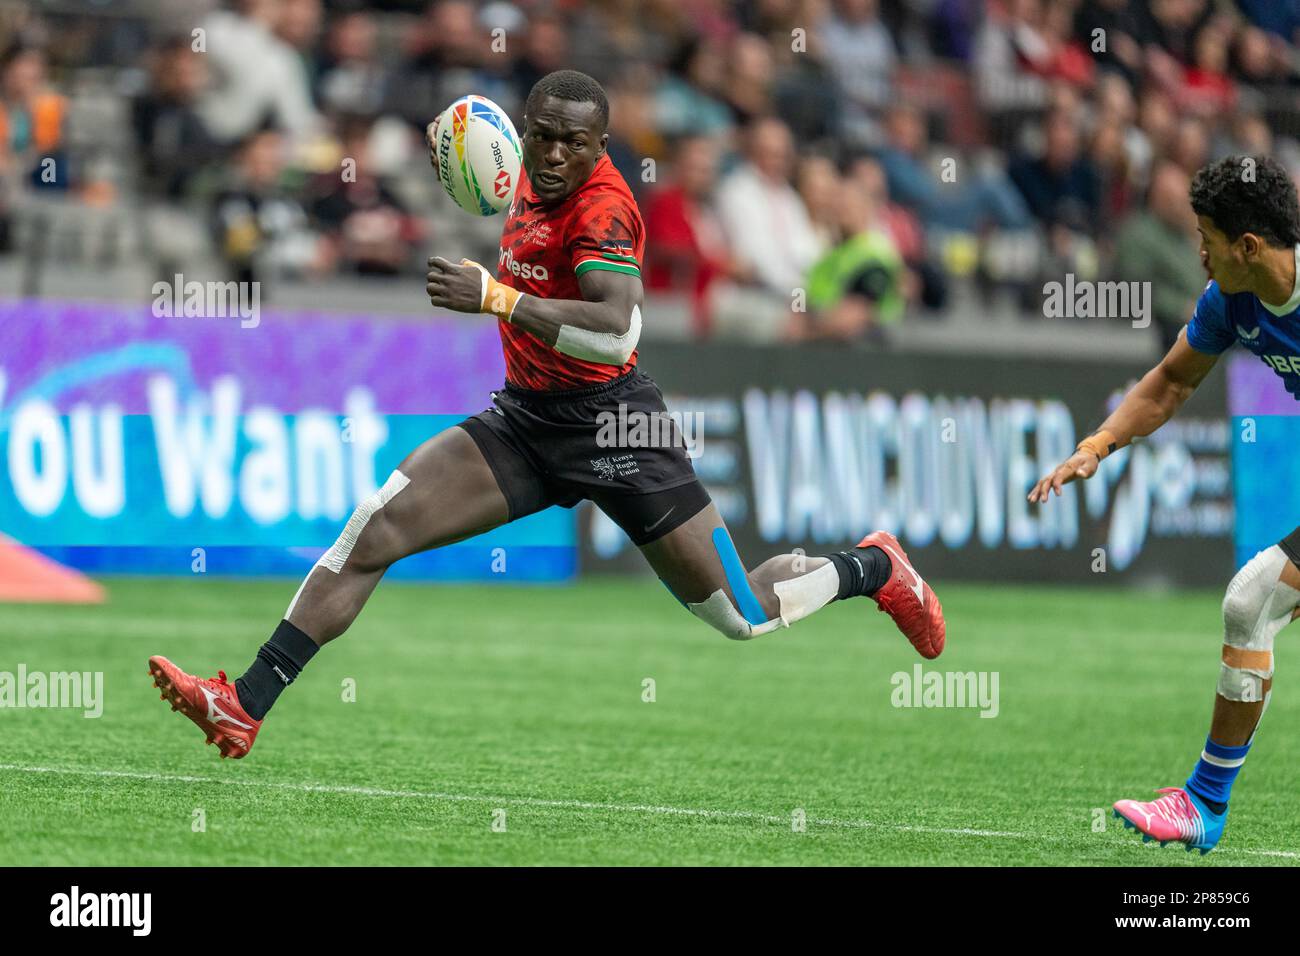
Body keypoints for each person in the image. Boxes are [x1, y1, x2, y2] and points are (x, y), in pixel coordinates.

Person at [148, 70, 947, 759]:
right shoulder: (519, 166)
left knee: (741, 616)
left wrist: (496, 297)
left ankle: (874, 568)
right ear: (524, 132)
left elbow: (616, 332)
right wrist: (449, 136)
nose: (557, 155)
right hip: (526, 421)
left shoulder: (603, 209)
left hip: (613, 425)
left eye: (575, 143)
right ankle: (244, 702)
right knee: (375, 527)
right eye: (543, 138)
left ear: (601, 146)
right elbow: (475, 140)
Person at [1029, 155, 1300, 854]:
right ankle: (1204, 804)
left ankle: (1205, 802)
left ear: (1248, 245)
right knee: (1253, 602)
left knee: (1253, 598)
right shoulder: (1231, 301)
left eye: (1205, 235)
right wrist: (1098, 444)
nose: (1198, 250)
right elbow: (1170, 383)